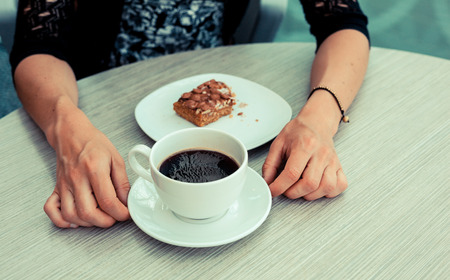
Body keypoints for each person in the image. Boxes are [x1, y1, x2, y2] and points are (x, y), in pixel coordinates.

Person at [10, 0, 370, 228]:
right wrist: (64, 123)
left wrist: (319, 120)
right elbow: (37, 47)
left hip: (226, 92)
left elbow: (342, 23)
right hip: (97, 107)